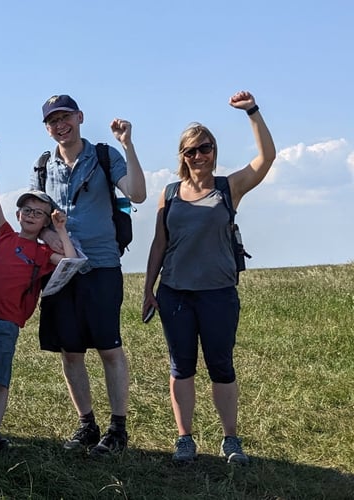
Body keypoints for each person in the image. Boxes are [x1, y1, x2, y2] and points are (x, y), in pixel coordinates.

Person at [143, 91, 275, 464]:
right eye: (191, 151)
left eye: (205, 148)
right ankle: (185, 438)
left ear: (214, 151)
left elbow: (266, 159)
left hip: (218, 293)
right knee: (180, 366)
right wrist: (148, 289)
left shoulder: (227, 188)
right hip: (175, 294)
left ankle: (230, 439)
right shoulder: (169, 195)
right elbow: (158, 245)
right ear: (182, 157)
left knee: (221, 366)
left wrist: (252, 112)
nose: (199, 156)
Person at [30, 94, 146, 456]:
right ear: (47, 128)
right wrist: (49, 237)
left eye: (65, 117)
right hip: (62, 270)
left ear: (80, 117)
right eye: (52, 121)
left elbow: (138, 194)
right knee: (70, 351)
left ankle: (118, 428)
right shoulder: (43, 164)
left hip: (101, 265)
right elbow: (35, 215)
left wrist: (127, 145)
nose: (60, 125)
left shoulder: (104, 155)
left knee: (110, 349)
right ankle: (86, 424)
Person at [0, 142, 77, 452]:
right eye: (27, 210)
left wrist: (61, 230)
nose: (30, 216)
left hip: (7, 322)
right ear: (18, 214)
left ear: (44, 222)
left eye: (38, 213)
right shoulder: (5, 235)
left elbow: (70, 263)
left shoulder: (43, 253)